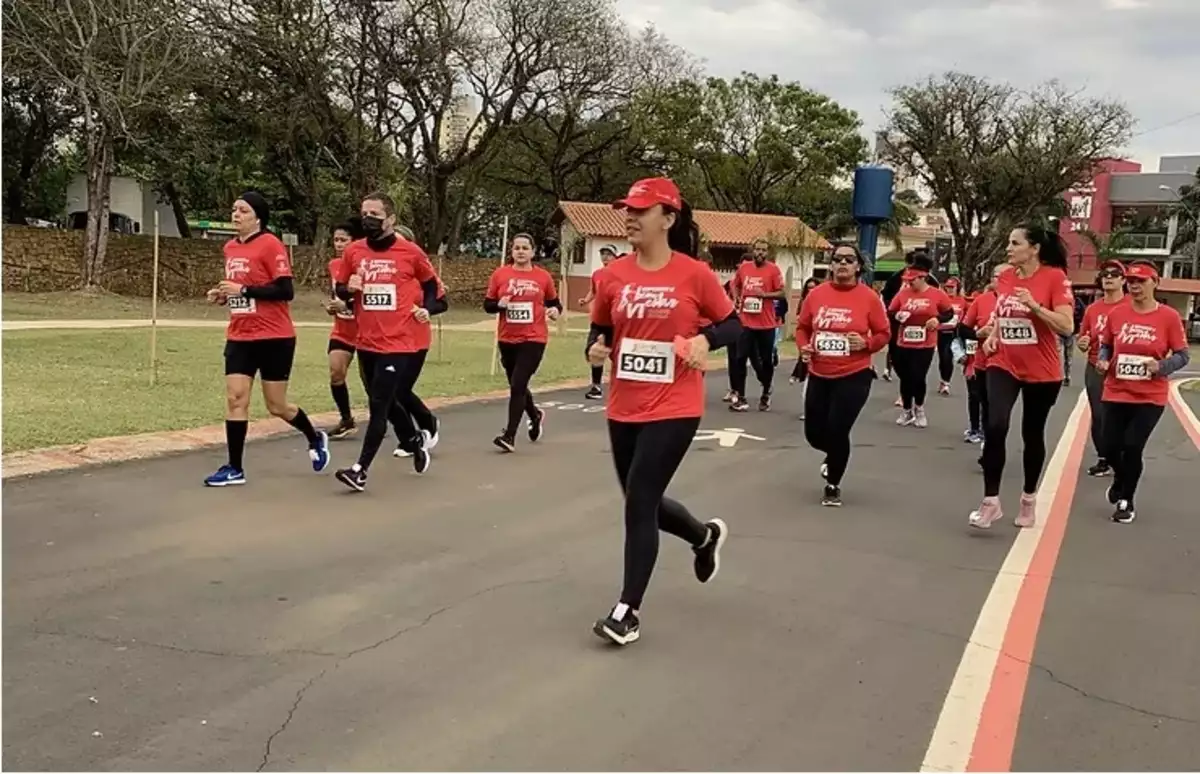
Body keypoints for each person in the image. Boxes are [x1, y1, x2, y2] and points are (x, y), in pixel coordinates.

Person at [586, 177, 741, 646]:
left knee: (639, 502)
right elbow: (599, 333)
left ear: (668, 219)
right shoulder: (612, 277)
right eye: (627, 210)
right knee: (642, 502)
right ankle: (702, 535)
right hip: (624, 405)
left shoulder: (694, 275)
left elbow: (734, 325)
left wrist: (703, 340)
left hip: (675, 404)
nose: (629, 217)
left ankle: (626, 611)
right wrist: (594, 351)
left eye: (641, 210)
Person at [203, 191, 330, 487]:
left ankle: (314, 437)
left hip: (275, 336)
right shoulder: (230, 248)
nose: (236, 214)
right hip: (240, 335)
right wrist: (222, 295)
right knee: (236, 398)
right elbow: (238, 289)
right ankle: (234, 467)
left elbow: (285, 291)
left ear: (258, 217)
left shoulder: (271, 244)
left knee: (276, 406)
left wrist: (243, 291)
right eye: (234, 209)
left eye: (243, 210)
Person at [332, 192, 444, 491]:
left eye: (375, 215)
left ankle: (360, 470)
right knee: (383, 400)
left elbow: (433, 287)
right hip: (366, 340)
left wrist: (427, 309)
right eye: (364, 213)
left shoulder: (410, 252)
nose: (367, 219)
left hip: (399, 342)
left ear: (391, 219)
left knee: (379, 406)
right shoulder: (353, 251)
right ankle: (413, 441)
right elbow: (342, 290)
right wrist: (348, 288)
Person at [970, 224, 1076, 529]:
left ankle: (1028, 499)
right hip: (1003, 362)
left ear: (1034, 249)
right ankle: (990, 502)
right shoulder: (1005, 277)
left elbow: (1066, 326)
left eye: (1015, 243)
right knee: (995, 424)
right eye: (1008, 242)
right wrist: (993, 334)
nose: (1008, 248)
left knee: (1032, 433)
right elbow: (1003, 314)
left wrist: (1034, 306)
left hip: (1042, 371)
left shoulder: (1055, 278)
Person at [795, 244, 890, 506]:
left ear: (858, 266)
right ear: (831, 265)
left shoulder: (869, 298)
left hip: (854, 374)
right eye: (837, 260)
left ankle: (833, 484)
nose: (843, 264)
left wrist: (865, 344)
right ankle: (835, 454)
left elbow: (884, 333)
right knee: (813, 434)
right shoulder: (816, 295)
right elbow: (803, 327)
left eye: (849, 260)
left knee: (838, 429)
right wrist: (804, 347)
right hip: (819, 372)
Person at [1095, 261, 1189, 523]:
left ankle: (1127, 499)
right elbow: (1106, 345)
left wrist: (1160, 366)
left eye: (1141, 281)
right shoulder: (1117, 314)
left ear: (1155, 283)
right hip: (1116, 390)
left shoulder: (1168, 317)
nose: (1134, 286)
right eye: (1131, 281)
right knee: (1111, 447)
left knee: (1133, 446)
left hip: (1149, 395)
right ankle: (1120, 478)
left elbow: (1183, 355)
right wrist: (1103, 360)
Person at [485, 233, 562, 452]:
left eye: (525, 248)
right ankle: (535, 414)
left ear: (533, 251)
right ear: (512, 251)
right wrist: (499, 304)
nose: (520, 251)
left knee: (518, 384)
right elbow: (488, 305)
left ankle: (509, 436)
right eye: (516, 247)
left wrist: (555, 310)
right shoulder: (500, 275)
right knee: (516, 385)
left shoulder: (543, 277)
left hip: (534, 338)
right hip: (507, 338)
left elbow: (555, 303)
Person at [887, 253, 953, 428]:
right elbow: (891, 311)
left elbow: (949, 313)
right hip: (903, 341)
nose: (909, 283)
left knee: (918, 376)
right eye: (907, 280)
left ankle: (919, 409)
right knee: (905, 377)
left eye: (913, 280)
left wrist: (937, 319)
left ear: (923, 278)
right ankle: (907, 410)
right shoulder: (902, 294)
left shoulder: (937, 294)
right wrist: (899, 315)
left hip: (925, 343)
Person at [1076, 260, 1129, 477]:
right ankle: (1104, 458)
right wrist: (1083, 343)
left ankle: (1124, 457)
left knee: (1121, 415)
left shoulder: (1130, 305)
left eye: (1114, 274)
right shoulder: (1093, 309)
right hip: (1096, 366)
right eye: (1105, 274)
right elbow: (1083, 336)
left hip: (1123, 369)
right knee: (1099, 415)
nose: (1108, 277)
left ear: (1123, 280)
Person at [729, 239, 786, 412]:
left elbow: (782, 293)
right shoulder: (744, 268)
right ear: (752, 250)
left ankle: (766, 392)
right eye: (757, 249)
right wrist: (737, 297)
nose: (760, 253)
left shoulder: (773, 270)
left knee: (766, 360)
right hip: (746, 321)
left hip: (766, 324)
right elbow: (735, 284)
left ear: (767, 253)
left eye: (763, 250)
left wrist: (765, 295)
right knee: (740, 358)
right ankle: (741, 396)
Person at [956, 264, 1010, 445]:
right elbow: (963, 329)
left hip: (1008, 364)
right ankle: (978, 431)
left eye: (1004, 276)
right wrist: (978, 334)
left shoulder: (1020, 301)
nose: (999, 280)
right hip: (981, 360)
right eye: (996, 276)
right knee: (979, 398)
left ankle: (993, 439)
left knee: (998, 407)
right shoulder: (981, 301)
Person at [324, 220, 361, 439]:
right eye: (336, 240)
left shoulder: (366, 265)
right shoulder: (333, 265)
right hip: (342, 330)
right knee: (336, 373)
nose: (338, 244)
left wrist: (347, 305)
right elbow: (336, 293)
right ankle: (346, 419)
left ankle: (383, 419)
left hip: (367, 331)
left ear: (355, 242)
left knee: (374, 383)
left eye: (343, 240)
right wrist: (333, 307)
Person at [579, 245, 618, 399]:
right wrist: (585, 300)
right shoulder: (597, 274)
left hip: (615, 322)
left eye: (609, 254)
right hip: (598, 321)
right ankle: (596, 386)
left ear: (615, 256)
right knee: (592, 351)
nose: (605, 257)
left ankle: (620, 386)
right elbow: (594, 291)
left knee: (617, 355)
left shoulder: (620, 274)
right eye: (603, 254)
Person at [790, 277, 822, 420]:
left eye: (814, 287)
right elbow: (801, 326)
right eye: (808, 288)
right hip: (808, 345)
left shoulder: (823, 303)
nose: (811, 290)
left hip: (821, 345)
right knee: (809, 376)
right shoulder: (805, 303)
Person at [936, 278, 969, 396]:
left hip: (953, 332)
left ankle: (946, 383)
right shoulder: (942, 300)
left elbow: (967, 315)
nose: (949, 290)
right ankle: (943, 379)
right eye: (948, 287)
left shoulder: (962, 301)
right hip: (941, 332)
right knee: (942, 358)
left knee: (947, 356)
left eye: (952, 288)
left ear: (957, 288)